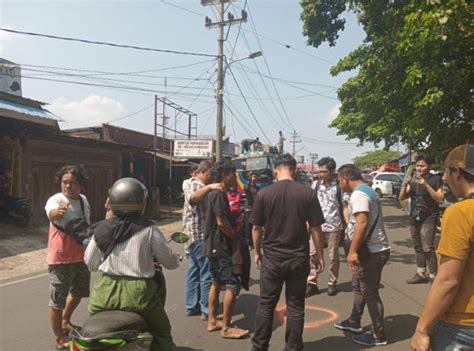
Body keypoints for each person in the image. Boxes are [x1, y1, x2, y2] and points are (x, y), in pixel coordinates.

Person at [85, 178, 180, 351]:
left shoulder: (101, 229)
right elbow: (169, 262)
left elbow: (90, 264)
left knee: (92, 334)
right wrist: (175, 259)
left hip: (104, 293)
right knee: (163, 331)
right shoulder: (149, 229)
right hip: (139, 294)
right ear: (142, 202)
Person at [251, 153, 326, 351]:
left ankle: (259, 347)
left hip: (273, 258)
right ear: (294, 170)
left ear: (276, 170)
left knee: (266, 304)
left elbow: (256, 228)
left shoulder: (264, 194)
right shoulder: (307, 193)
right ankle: (293, 347)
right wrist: (319, 254)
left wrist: (257, 252)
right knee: (295, 306)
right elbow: (316, 228)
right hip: (298, 258)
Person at [411, 143, 474, 351]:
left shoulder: (461, 212)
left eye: (447, 172)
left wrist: (422, 329)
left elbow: (448, 280)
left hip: (463, 326)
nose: (444, 178)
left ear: (457, 172)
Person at [334, 164, 391, 347]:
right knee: (359, 286)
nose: (338, 184)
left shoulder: (359, 194)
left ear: (345, 177)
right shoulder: (365, 190)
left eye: (338, 180)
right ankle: (354, 321)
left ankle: (378, 335)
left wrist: (352, 251)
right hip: (371, 250)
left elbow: (362, 223)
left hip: (371, 252)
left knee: (370, 293)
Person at [44, 165, 91, 350]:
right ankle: (58, 337)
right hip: (60, 258)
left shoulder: (84, 200)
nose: (68, 186)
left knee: (79, 293)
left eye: (73, 183)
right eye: (65, 182)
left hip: (81, 256)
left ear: (81, 185)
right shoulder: (56, 199)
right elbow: (51, 213)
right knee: (57, 301)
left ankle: (65, 321)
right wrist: (59, 212)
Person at [204, 161, 250, 339]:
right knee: (231, 283)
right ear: (224, 174)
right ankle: (227, 327)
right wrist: (235, 238)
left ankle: (212, 321)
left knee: (216, 282)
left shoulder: (214, 193)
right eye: (233, 174)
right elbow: (221, 222)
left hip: (212, 246)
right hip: (220, 246)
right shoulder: (218, 194)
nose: (235, 178)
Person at [182, 160, 222, 320]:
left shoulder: (193, 183)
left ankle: (192, 306)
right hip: (198, 235)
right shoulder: (195, 184)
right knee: (206, 273)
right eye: (211, 174)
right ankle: (207, 310)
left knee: (194, 271)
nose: (212, 178)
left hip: (193, 236)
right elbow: (193, 198)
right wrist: (210, 187)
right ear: (205, 172)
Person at [399, 155, 444, 283]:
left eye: (422, 165)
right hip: (414, 215)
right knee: (417, 246)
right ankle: (421, 272)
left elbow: (440, 199)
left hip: (429, 216)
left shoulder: (436, 180)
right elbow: (402, 197)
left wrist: (426, 185)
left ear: (429, 166)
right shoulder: (413, 179)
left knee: (427, 247)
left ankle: (434, 276)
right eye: (417, 166)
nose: (419, 168)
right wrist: (405, 184)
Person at [306, 157, 346, 297]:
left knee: (333, 255)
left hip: (334, 224)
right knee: (312, 254)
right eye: (320, 171)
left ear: (332, 171)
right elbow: (310, 204)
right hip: (316, 225)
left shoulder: (339, 186)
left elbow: (344, 206)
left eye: (324, 171)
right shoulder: (315, 185)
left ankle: (332, 282)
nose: (321, 174)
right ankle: (312, 282)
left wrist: (345, 225)